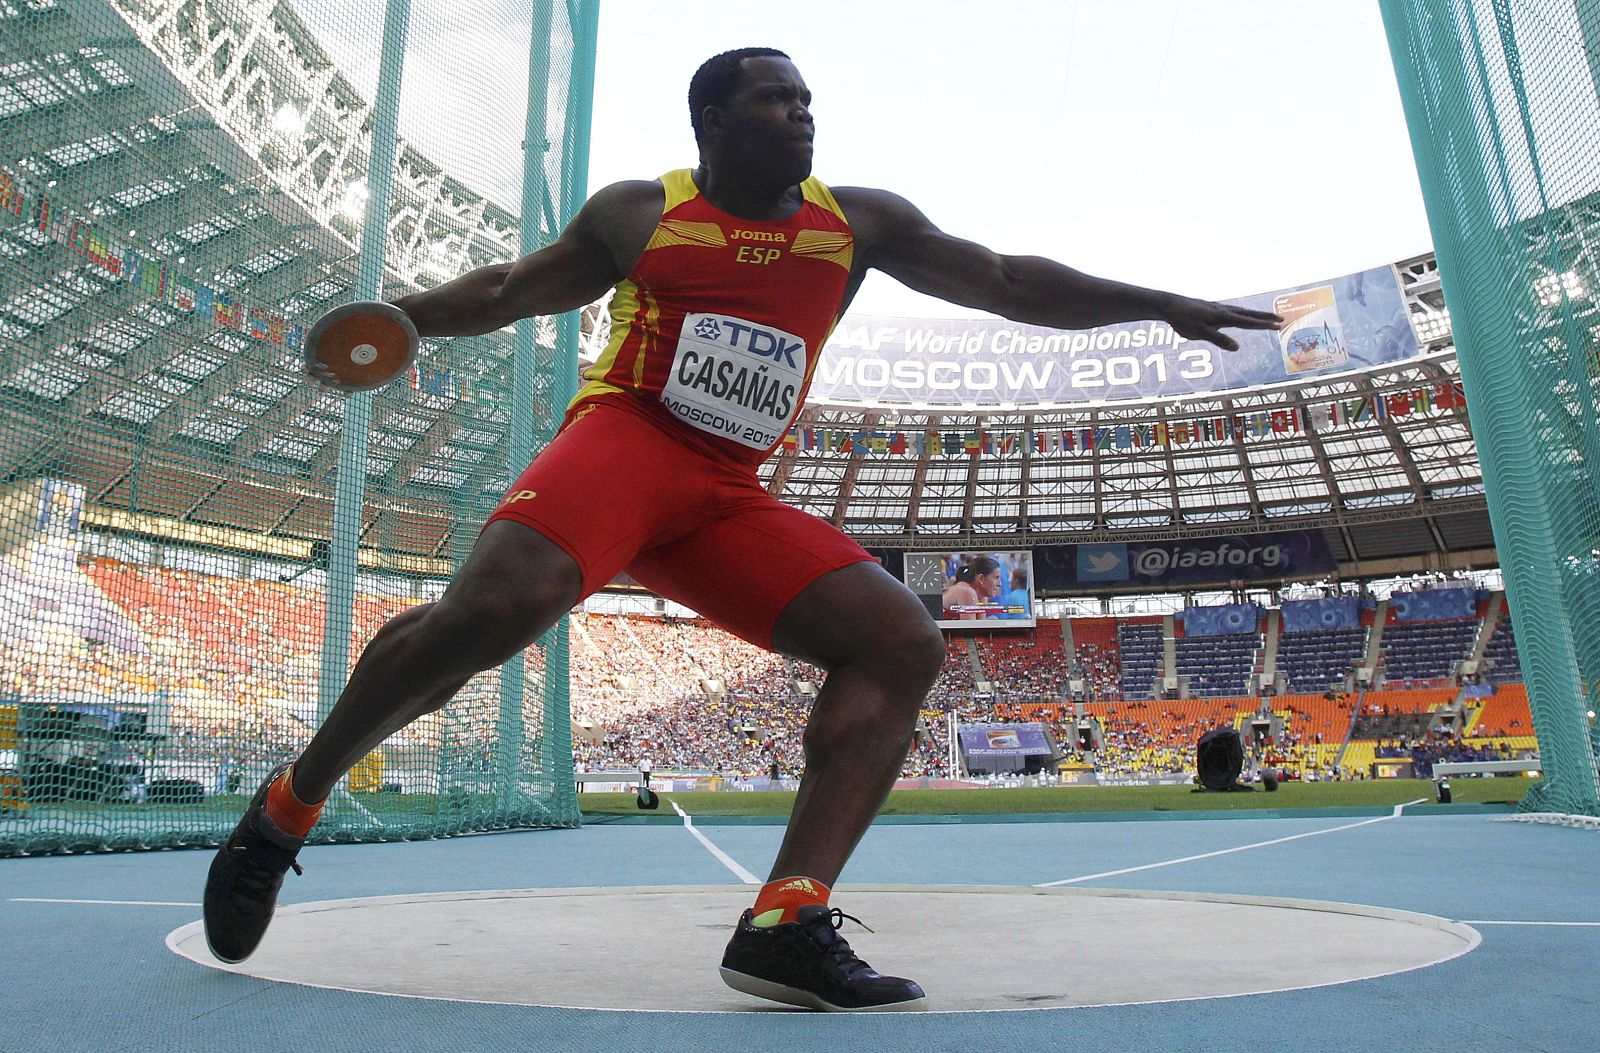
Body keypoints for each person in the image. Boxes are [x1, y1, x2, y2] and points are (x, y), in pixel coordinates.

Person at [201, 46, 1282, 1012]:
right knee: (495, 609)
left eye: (808, 99)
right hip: (625, 443)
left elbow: (1004, 282)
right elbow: (512, 288)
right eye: (774, 100)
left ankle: (787, 924)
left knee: (900, 637)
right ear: (712, 122)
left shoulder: (858, 222)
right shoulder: (638, 214)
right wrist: (402, 318)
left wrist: (1160, 303)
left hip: (724, 489)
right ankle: (288, 807)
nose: (802, 115)